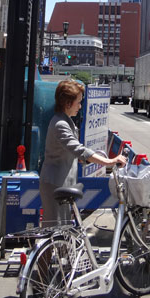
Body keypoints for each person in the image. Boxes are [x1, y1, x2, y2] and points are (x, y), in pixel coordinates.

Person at [39, 79, 127, 225]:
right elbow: (79, 149)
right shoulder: (60, 124)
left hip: (62, 183)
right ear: (67, 103)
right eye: (78, 102)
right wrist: (109, 161)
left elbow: (72, 151)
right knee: (55, 229)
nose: (80, 106)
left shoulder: (67, 121)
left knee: (63, 229)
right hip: (55, 183)